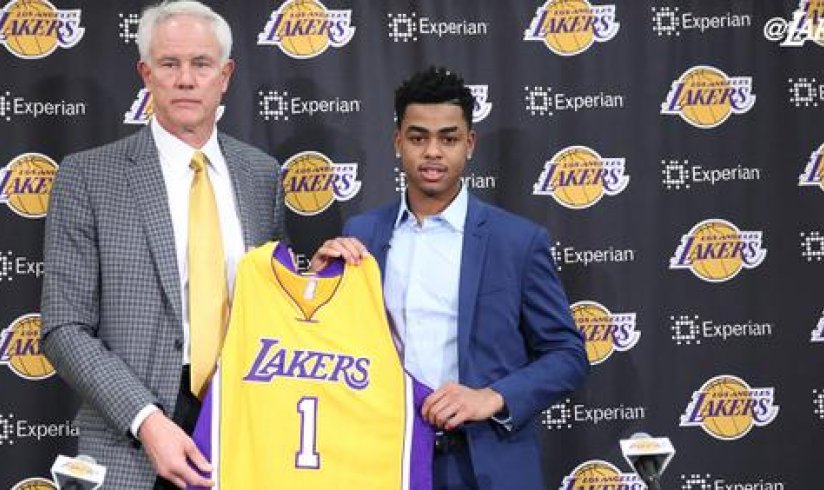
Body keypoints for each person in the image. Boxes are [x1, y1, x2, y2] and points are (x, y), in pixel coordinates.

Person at [41, 1, 283, 488]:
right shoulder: (89, 176)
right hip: (129, 443)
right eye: (170, 64)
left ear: (226, 74)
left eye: (202, 64)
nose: (186, 80)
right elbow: (63, 327)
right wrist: (146, 419)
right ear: (146, 74)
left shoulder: (261, 175)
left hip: (246, 433)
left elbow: (273, 306)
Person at [313, 66, 588, 489]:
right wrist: (315, 286)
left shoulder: (518, 241)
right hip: (387, 458)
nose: (433, 152)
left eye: (449, 138)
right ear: (398, 142)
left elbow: (568, 356)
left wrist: (492, 397)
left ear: (469, 144)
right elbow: (330, 349)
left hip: (488, 460)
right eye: (419, 137)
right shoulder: (361, 235)